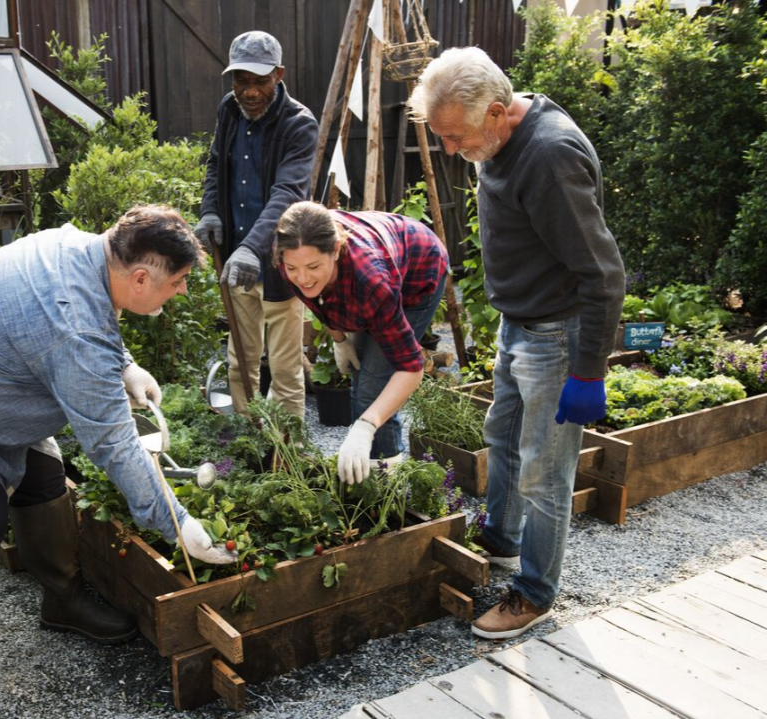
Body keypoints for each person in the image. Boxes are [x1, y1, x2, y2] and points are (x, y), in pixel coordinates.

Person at [0, 205, 235, 697]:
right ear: (141, 277)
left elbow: (90, 314)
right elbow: (113, 442)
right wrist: (178, 523)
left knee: (44, 479)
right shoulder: (73, 328)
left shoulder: (81, 248)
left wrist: (123, 365)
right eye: (179, 281)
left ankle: (62, 599)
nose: (183, 289)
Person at [408, 47, 625, 639]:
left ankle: (535, 593)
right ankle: (500, 541)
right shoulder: (494, 136)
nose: (451, 151)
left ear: (500, 112)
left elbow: (603, 274)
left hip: (556, 336)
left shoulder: (549, 156)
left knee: (544, 473)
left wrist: (588, 371)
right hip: (517, 324)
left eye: (456, 137)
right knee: (499, 437)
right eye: (441, 136)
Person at [274, 201, 449, 484]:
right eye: (293, 267)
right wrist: (339, 339)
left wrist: (365, 426)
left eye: (313, 266)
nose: (302, 277)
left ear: (335, 250)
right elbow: (318, 301)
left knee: (372, 388)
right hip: (382, 262)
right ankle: (366, 470)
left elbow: (411, 368)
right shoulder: (291, 258)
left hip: (419, 269)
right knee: (361, 380)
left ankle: (386, 480)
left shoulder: (371, 282)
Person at [193, 30, 318, 418]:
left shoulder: (299, 124)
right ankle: (248, 443)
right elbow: (216, 162)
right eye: (240, 81)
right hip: (235, 257)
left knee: (284, 367)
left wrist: (253, 247)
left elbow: (287, 194)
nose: (248, 92)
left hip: (281, 261)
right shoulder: (228, 110)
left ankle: (288, 450)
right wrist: (210, 209)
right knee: (239, 360)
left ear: (279, 74)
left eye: (259, 81)